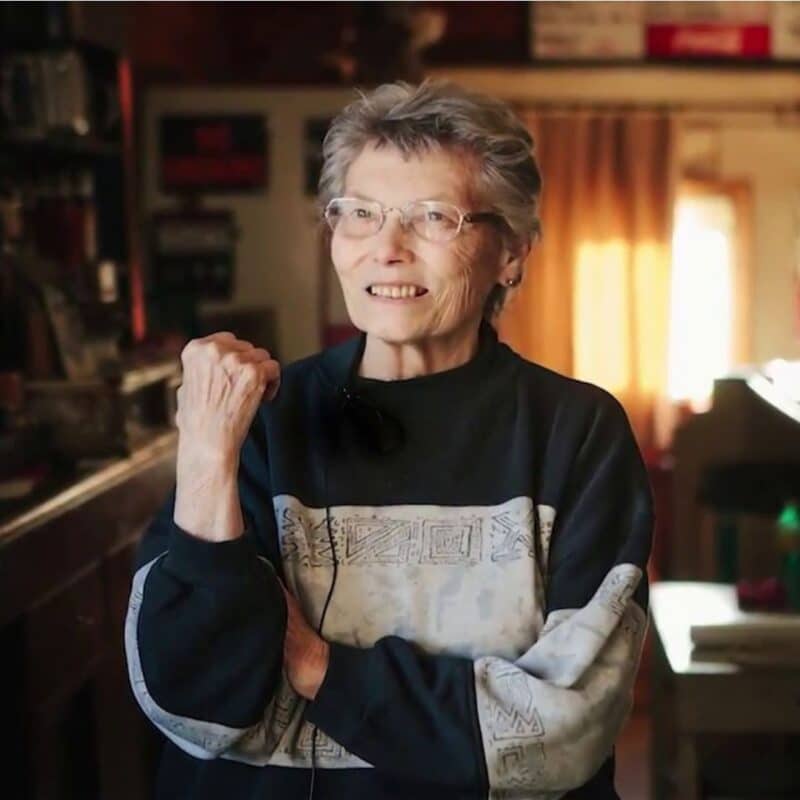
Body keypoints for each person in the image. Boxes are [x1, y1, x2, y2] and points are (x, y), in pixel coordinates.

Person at [125, 80, 653, 800]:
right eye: (360, 214)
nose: (387, 249)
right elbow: (195, 704)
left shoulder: (576, 431)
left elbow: (561, 728)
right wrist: (206, 457)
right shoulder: (260, 418)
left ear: (511, 252)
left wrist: (314, 666)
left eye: (434, 217)